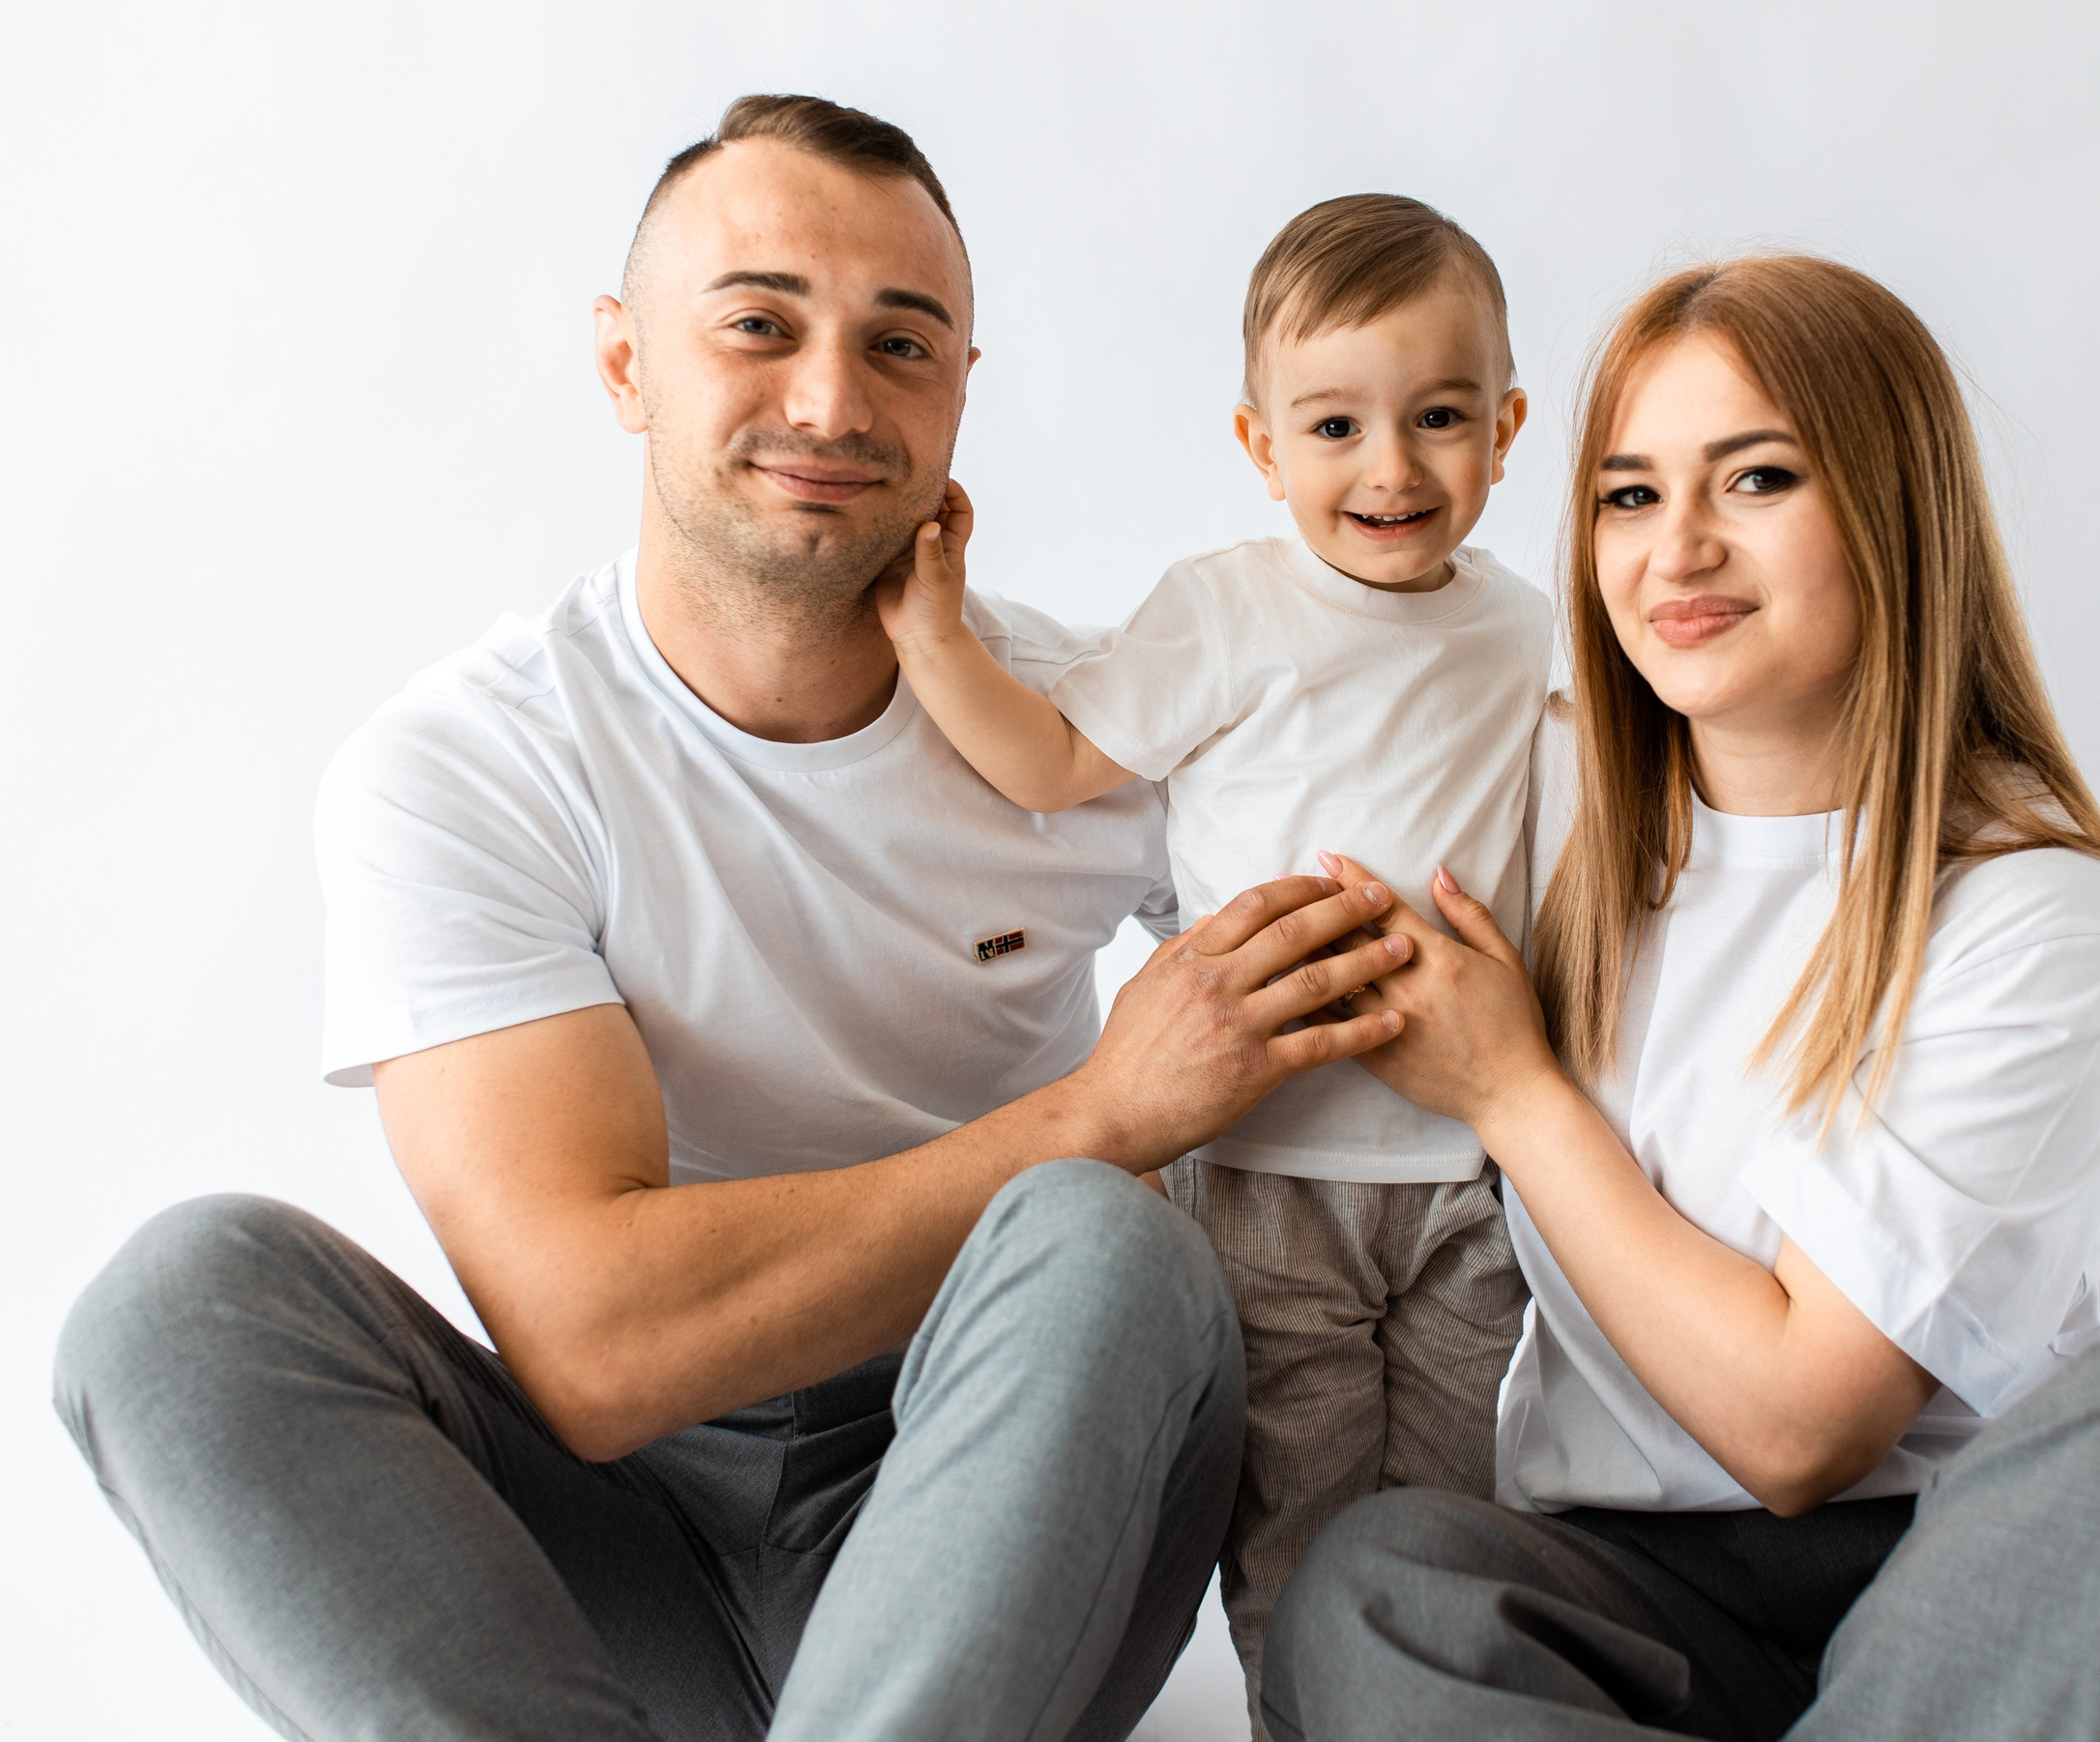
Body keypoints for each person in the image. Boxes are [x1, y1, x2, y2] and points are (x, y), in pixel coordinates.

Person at [49, 94, 1422, 1742]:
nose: (833, 398)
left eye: (902, 344)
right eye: (760, 325)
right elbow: (592, 1348)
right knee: (182, 1298)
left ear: (960, 396)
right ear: (628, 365)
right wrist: (1098, 1112)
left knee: (1108, 1239)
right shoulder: (472, 765)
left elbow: (1444, 989)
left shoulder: (1101, 725)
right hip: (618, 1535)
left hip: (1003, 1472)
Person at [1260, 254, 2100, 1740]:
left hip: (1969, 1554)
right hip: (1632, 1588)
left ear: (1893, 508)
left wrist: (1514, 1091)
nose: (1680, 549)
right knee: (1376, 1583)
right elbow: (1223, 749)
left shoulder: (2025, 904)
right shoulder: (1543, 807)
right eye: (1630, 495)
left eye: (1759, 478)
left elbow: (1801, 1425)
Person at [877, 192, 1548, 1724]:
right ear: (1262, 446)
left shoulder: (1526, 631)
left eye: (1439, 417)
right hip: (1266, 1166)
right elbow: (1053, 760)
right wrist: (933, 643)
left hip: (1466, 1172)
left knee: (1466, 1513)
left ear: (1506, 430)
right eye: (1335, 426)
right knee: (1300, 1520)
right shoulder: (1230, 609)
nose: (1391, 467)